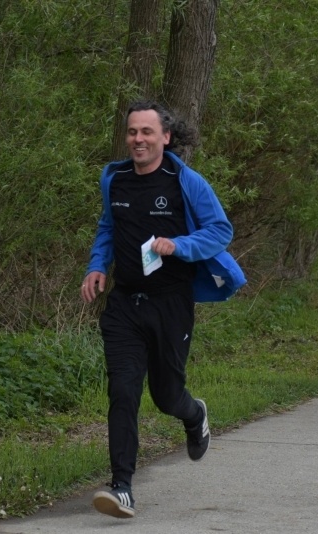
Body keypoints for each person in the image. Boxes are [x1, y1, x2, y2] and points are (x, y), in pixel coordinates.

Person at [80, 100, 245, 519]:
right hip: (124, 304)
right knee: (123, 390)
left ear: (165, 137)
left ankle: (195, 414)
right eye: (133, 132)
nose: (138, 139)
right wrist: (98, 266)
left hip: (171, 304)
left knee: (166, 395)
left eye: (147, 132)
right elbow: (108, 226)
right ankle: (122, 488)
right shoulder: (113, 179)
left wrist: (180, 245)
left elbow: (220, 229)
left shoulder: (184, 180)